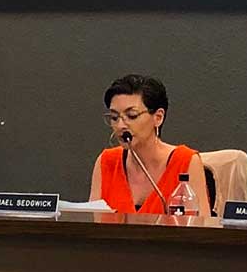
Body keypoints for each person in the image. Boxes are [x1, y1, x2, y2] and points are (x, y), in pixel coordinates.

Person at [89, 74, 210, 216]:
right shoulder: (107, 162)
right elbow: (91, 224)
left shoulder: (185, 161)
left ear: (158, 117)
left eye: (132, 116)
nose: (121, 125)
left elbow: (203, 228)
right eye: (114, 117)